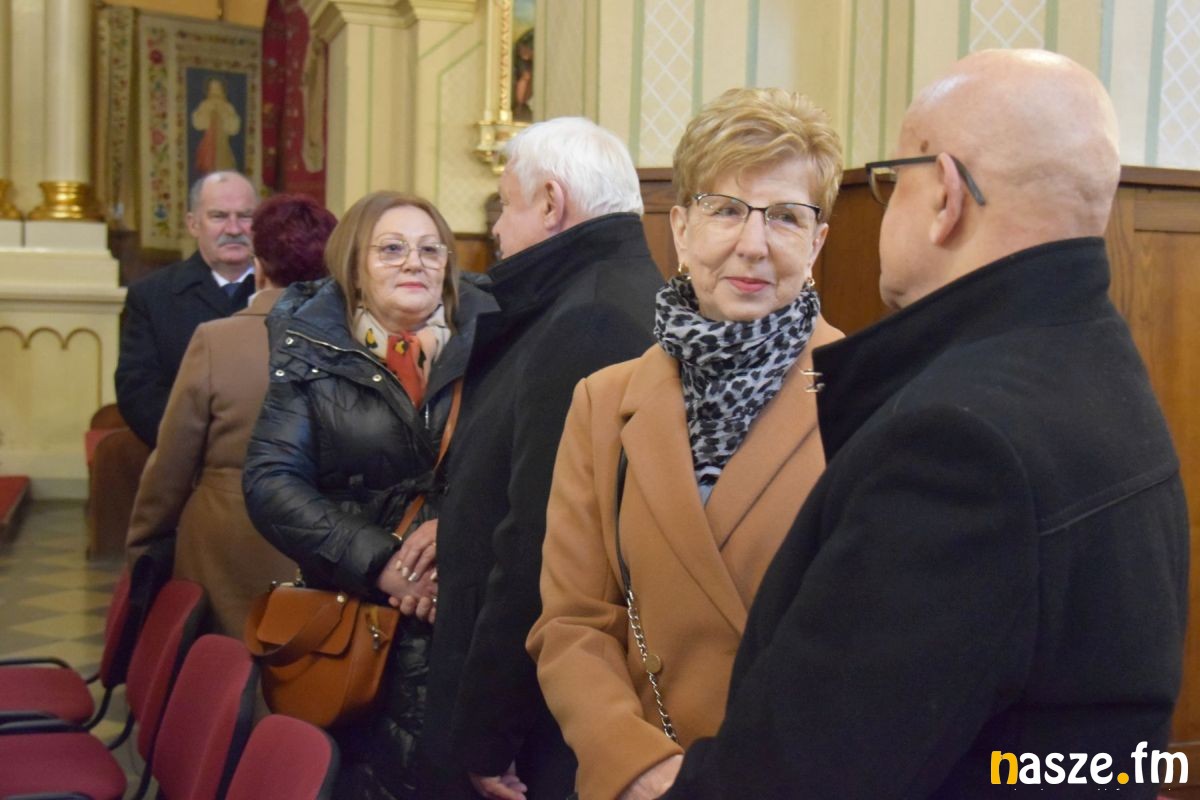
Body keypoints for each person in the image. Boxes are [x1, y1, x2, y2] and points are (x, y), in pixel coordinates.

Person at [659, 49, 1189, 800]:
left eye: (893, 179)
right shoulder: (1097, 361)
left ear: (946, 196)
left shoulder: (956, 448)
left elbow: (799, 777)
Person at [527, 87, 844, 800]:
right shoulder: (603, 403)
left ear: (817, 243)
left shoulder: (873, 395)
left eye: (785, 217)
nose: (753, 244)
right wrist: (637, 766)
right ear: (679, 227)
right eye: (726, 209)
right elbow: (574, 620)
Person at [423, 117, 664, 800]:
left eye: (505, 205)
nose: (498, 230)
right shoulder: (603, 291)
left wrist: (487, 730)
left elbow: (543, 541)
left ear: (552, 202)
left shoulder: (590, 318)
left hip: (536, 720)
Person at [243, 191, 493, 800]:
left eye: (431, 249)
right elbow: (271, 481)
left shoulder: (495, 340)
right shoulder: (312, 347)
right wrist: (383, 564)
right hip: (358, 620)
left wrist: (456, 540)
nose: (414, 262)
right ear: (354, 266)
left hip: (468, 614)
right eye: (391, 249)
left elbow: (524, 465)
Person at [124, 194, 336, 637]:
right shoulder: (354, 342)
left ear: (259, 265)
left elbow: (173, 460)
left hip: (222, 541)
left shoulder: (216, 340)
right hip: (322, 537)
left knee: (218, 662)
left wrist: (144, 542)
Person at [116, 171, 258, 447]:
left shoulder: (289, 292)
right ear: (193, 224)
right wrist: (198, 444)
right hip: (186, 454)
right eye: (218, 216)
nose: (233, 229)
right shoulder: (152, 296)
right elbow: (138, 391)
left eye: (245, 216)